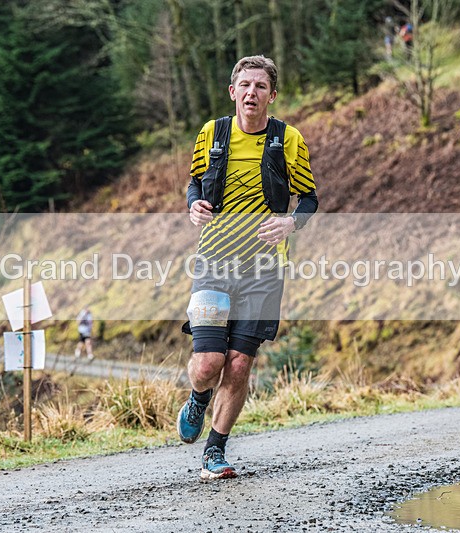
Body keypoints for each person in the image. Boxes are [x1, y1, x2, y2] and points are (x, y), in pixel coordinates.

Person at [178, 55, 318, 480]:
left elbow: (309, 198)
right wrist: (193, 205)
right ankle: (198, 397)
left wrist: (291, 221)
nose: (252, 93)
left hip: (264, 270)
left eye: (261, 86)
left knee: (239, 363)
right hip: (213, 265)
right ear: (232, 91)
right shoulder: (212, 133)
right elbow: (194, 182)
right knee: (208, 363)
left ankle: (214, 451)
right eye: (245, 85)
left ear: (271, 96)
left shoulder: (288, 139)